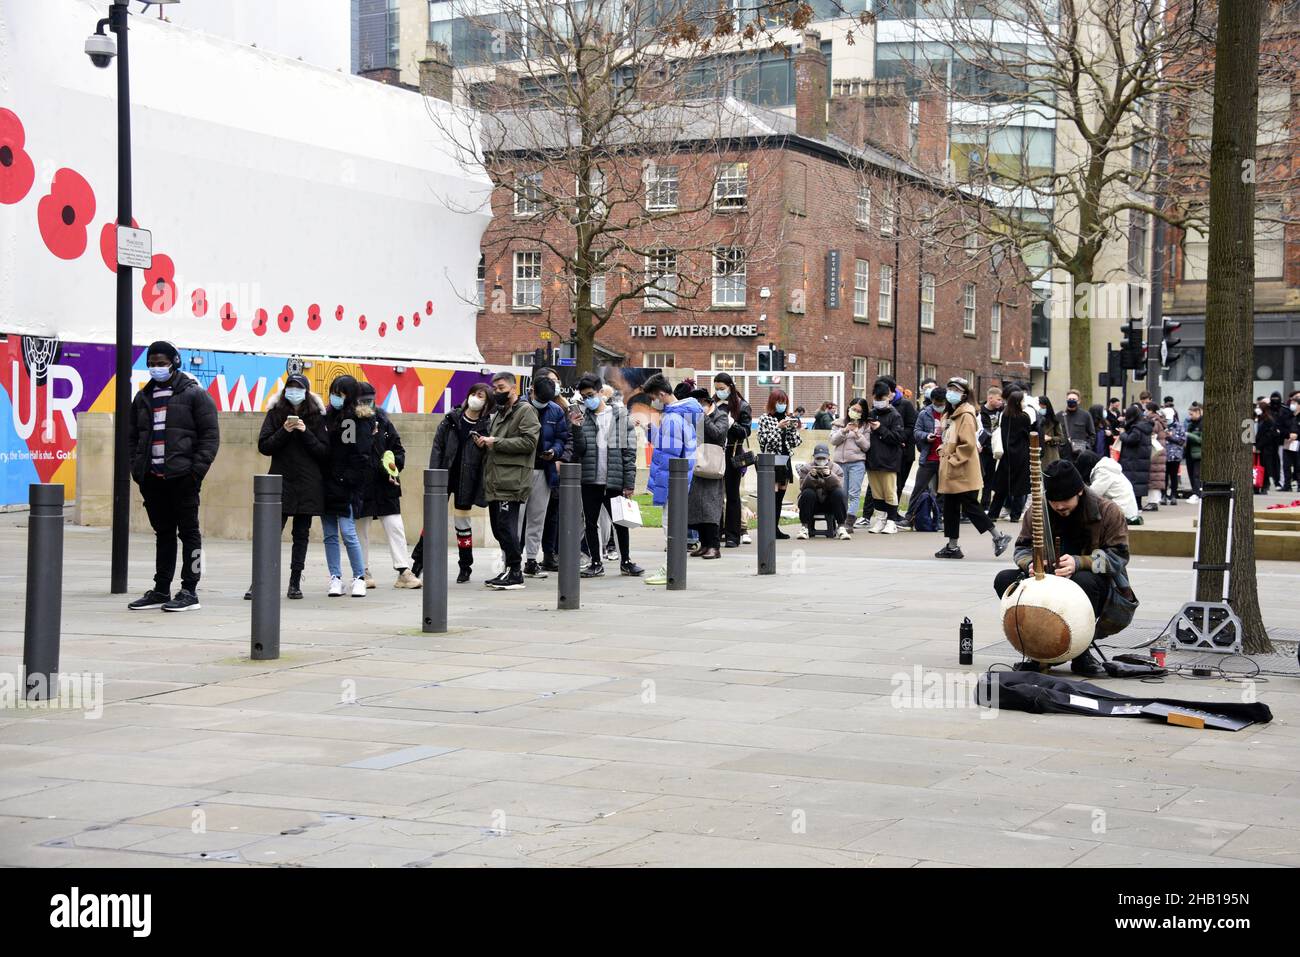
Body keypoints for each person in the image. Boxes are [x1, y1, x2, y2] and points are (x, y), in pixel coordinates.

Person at [994, 459, 1136, 678]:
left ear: (1079, 491)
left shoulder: (1108, 511)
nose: (1059, 506)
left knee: (1084, 581)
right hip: (1046, 578)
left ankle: (1081, 652)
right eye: (1054, 501)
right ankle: (1037, 649)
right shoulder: (1037, 511)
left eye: (1065, 500)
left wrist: (1079, 562)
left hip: (1090, 581)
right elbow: (1021, 549)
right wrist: (1031, 564)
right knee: (1005, 581)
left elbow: (1118, 556)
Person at [126, 341, 220, 612]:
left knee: (189, 533)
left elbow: (210, 437)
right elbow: (132, 437)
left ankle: (190, 590)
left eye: (161, 363)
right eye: (152, 363)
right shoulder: (143, 397)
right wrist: (137, 470)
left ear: (174, 362)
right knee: (163, 533)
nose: (157, 368)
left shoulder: (194, 394)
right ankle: (160, 589)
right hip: (152, 479)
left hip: (183, 478)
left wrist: (196, 472)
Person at [245, 373, 328, 601]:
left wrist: (305, 431)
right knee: (270, 533)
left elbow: (323, 451)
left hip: (308, 483)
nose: (294, 392)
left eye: (299, 388)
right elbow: (264, 446)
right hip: (280, 482)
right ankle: (259, 581)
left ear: (306, 391)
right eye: (290, 387)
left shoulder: (318, 417)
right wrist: (284, 430)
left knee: (301, 535)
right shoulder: (275, 414)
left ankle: (295, 581)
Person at [570, 373, 643, 579]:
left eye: (591, 394)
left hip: (614, 479)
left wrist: (629, 482)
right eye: (584, 397)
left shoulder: (619, 416)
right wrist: (575, 428)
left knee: (620, 522)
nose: (588, 399)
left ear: (601, 392)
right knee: (591, 522)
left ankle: (626, 561)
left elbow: (629, 453)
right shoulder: (583, 418)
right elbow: (580, 450)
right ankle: (596, 562)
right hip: (590, 479)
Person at [935, 377, 1012, 560]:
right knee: (951, 507)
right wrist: (943, 450)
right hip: (954, 468)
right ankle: (952, 546)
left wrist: (952, 459)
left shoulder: (966, 415)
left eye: (956, 390)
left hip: (961, 469)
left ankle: (998, 536)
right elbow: (950, 439)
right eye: (950, 388)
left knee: (970, 506)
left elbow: (967, 444)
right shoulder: (953, 413)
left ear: (964, 394)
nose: (951, 393)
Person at [423, 381, 491, 583]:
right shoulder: (451, 419)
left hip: (467, 480)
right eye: (476, 394)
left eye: (482, 397)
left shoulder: (486, 425)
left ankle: (465, 566)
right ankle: (418, 561)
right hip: (444, 476)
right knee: (432, 519)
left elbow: (488, 458)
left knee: (462, 524)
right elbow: (438, 448)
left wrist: (485, 445)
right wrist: (434, 476)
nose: (477, 399)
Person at [353, 382, 419, 589]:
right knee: (360, 529)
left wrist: (394, 468)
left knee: (395, 525)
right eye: (363, 398)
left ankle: (403, 570)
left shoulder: (383, 421)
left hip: (385, 484)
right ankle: (362, 571)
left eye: (370, 397)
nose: (367, 402)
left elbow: (397, 449)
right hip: (360, 485)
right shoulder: (349, 423)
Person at [478, 371, 540, 590]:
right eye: (495, 388)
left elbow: (529, 443)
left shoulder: (525, 411)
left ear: (514, 389)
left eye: (501, 388)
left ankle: (515, 571)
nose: (497, 392)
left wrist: (497, 442)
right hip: (496, 478)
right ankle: (509, 570)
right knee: (498, 528)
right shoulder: (499, 413)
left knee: (506, 526)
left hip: (512, 479)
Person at [642, 374, 698, 584]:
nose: (652, 401)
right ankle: (671, 566)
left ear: (662, 394)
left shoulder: (673, 418)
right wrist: (650, 429)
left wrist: (662, 489)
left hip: (673, 482)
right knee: (673, 525)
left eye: (653, 397)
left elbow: (669, 456)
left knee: (670, 526)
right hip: (680, 480)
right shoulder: (681, 415)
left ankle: (670, 567)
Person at [321, 375, 370, 598]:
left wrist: (346, 479)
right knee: (329, 534)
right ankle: (335, 578)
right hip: (326, 484)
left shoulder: (356, 420)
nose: (335, 398)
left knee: (348, 532)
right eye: (333, 392)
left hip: (345, 486)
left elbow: (360, 455)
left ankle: (359, 577)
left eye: (340, 394)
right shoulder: (326, 418)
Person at [519, 373, 570, 579]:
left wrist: (555, 452)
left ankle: (531, 559)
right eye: (540, 399)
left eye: (545, 401)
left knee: (537, 516)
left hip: (544, 469)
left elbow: (561, 437)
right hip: (520, 469)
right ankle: (510, 559)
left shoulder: (556, 410)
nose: (542, 403)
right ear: (531, 391)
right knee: (516, 518)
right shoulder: (519, 408)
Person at [712, 372, 752, 548]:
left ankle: (733, 534)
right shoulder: (712, 404)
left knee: (732, 495)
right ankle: (716, 531)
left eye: (722, 389)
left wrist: (731, 424)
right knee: (714, 495)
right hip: (714, 453)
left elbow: (746, 432)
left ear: (730, 387)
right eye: (717, 389)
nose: (719, 392)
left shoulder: (742, 406)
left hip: (732, 453)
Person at [756, 388, 802, 540]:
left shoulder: (787, 417)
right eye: (779, 402)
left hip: (785, 458)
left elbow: (794, 442)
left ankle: (775, 527)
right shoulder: (765, 418)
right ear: (772, 402)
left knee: (781, 495)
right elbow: (764, 441)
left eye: (784, 402)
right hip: (771, 459)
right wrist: (778, 428)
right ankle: (769, 527)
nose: (782, 405)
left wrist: (793, 429)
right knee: (772, 495)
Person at [899, 386, 947, 529]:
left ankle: (938, 519)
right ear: (932, 400)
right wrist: (926, 436)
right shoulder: (924, 413)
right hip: (929, 457)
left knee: (943, 491)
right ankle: (909, 517)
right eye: (937, 403)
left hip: (945, 458)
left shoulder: (952, 413)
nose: (939, 406)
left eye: (942, 403)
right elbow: (916, 431)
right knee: (918, 488)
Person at [688, 388, 727, 559]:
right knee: (698, 507)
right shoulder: (694, 417)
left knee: (711, 507)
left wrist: (703, 417)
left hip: (712, 466)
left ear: (707, 403)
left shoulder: (721, 416)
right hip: (697, 464)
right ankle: (704, 544)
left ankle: (714, 546)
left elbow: (718, 435)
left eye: (700, 405)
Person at [987, 389, 1031, 523]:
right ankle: (1015, 515)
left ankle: (993, 513)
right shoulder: (1024, 417)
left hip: (1006, 455)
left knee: (1001, 488)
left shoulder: (1004, 415)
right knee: (1020, 488)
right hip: (1021, 455)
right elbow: (1028, 434)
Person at [830, 397, 871, 532]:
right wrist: (845, 430)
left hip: (856, 463)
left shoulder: (865, 426)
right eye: (854, 409)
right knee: (841, 493)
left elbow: (866, 446)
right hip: (839, 463)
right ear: (849, 408)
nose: (855, 413)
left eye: (859, 411)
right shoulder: (839, 423)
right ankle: (841, 520)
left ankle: (849, 521)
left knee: (854, 493)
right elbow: (833, 441)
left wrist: (857, 433)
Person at [795, 443, 850, 539]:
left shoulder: (837, 468)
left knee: (838, 493)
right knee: (807, 493)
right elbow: (802, 487)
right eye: (818, 458)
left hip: (830, 504)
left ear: (828, 457)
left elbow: (839, 486)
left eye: (823, 458)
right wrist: (811, 476)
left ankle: (841, 526)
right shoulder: (806, 469)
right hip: (813, 504)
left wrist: (829, 475)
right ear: (814, 457)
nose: (821, 461)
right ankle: (804, 527)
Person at [1074, 450, 1140, 524]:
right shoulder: (1107, 468)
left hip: (1122, 514)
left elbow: (1091, 494)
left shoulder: (1104, 472)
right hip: (1127, 511)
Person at [1117, 403, 1153, 509]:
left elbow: (1130, 440)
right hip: (1140, 460)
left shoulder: (1136, 428)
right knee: (1138, 483)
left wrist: (1122, 434)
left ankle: (1135, 507)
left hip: (1133, 460)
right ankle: (1138, 505)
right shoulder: (1144, 426)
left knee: (1132, 483)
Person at [978, 386, 1004, 510]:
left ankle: (985, 504)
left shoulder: (1001, 410)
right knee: (979, 477)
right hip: (983, 449)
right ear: (990, 398)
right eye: (998, 399)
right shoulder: (980, 412)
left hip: (994, 450)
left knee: (989, 478)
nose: (1000, 402)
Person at [1256, 396, 1283, 493]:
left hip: (1267, 448)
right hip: (1261, 447)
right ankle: (1257, 486)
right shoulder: (1259, 419)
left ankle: (1264, 486)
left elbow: (1268, 435)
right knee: (1259, 467)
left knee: (1265, 468)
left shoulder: (1268, 420)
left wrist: (1258, 445)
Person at [1059, 389, 1096, 458]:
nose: (1071, 400)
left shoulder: (1085, 415)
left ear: (1079, 401)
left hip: (1080, 455)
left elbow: (1092, 435)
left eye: (1074, 399)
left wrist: (1086, 447)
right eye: (1069, 399)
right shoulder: (1059, 415)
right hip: (1063, 455)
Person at [1161, 406, 1186, 506]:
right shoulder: (1162, 426)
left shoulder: (1179, 426)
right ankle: (1163, 495)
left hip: (1175, 455)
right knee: (1164, 476)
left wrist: (1170, 437)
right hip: (1163, 454)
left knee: (1174, 476)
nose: (1167, 421)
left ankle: (1173, 495)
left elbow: (1182, 440)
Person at [1145, 401, 1168, 509]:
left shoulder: (1153, 421)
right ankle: (1154, 501)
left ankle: (1153, 502)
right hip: (1159, 453)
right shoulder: (1159, 420)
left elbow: (1149, 434)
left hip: (1154, 453)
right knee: (1156, 478)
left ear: (1150, 410)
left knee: (1154, 478)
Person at [1037, 396, 1066, 465]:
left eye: (1043, 408)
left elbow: (1061, 438)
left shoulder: (1054, 421)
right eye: (1039, 408)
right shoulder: (1033, 420)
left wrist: (1050, 438)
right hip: (1036, 453)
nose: (1041, 409)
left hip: (1050, 455)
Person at [1184, 402, 1204, 503]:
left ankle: (1198, 494)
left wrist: (1188, 435)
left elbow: (1201, 440)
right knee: (1191, 474)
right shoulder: (1191, 424)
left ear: (1198, 412)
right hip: (1189, 453)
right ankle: (1194, 493)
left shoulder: (1203, 424)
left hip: (1198, 454)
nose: (1190, 416)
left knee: (1197, 475)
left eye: (1192, 414)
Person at [1282, 391, 1300, 493]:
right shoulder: (1287, 416)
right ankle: (1287, 485)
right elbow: (1280, 428)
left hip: (1298, 443)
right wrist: (1288, 435)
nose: (1293, 406)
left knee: (1298, 465)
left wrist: (1297, 435)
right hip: (1288, 443)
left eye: (1295, 404)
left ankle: (1299, 485)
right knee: (1286, 465)